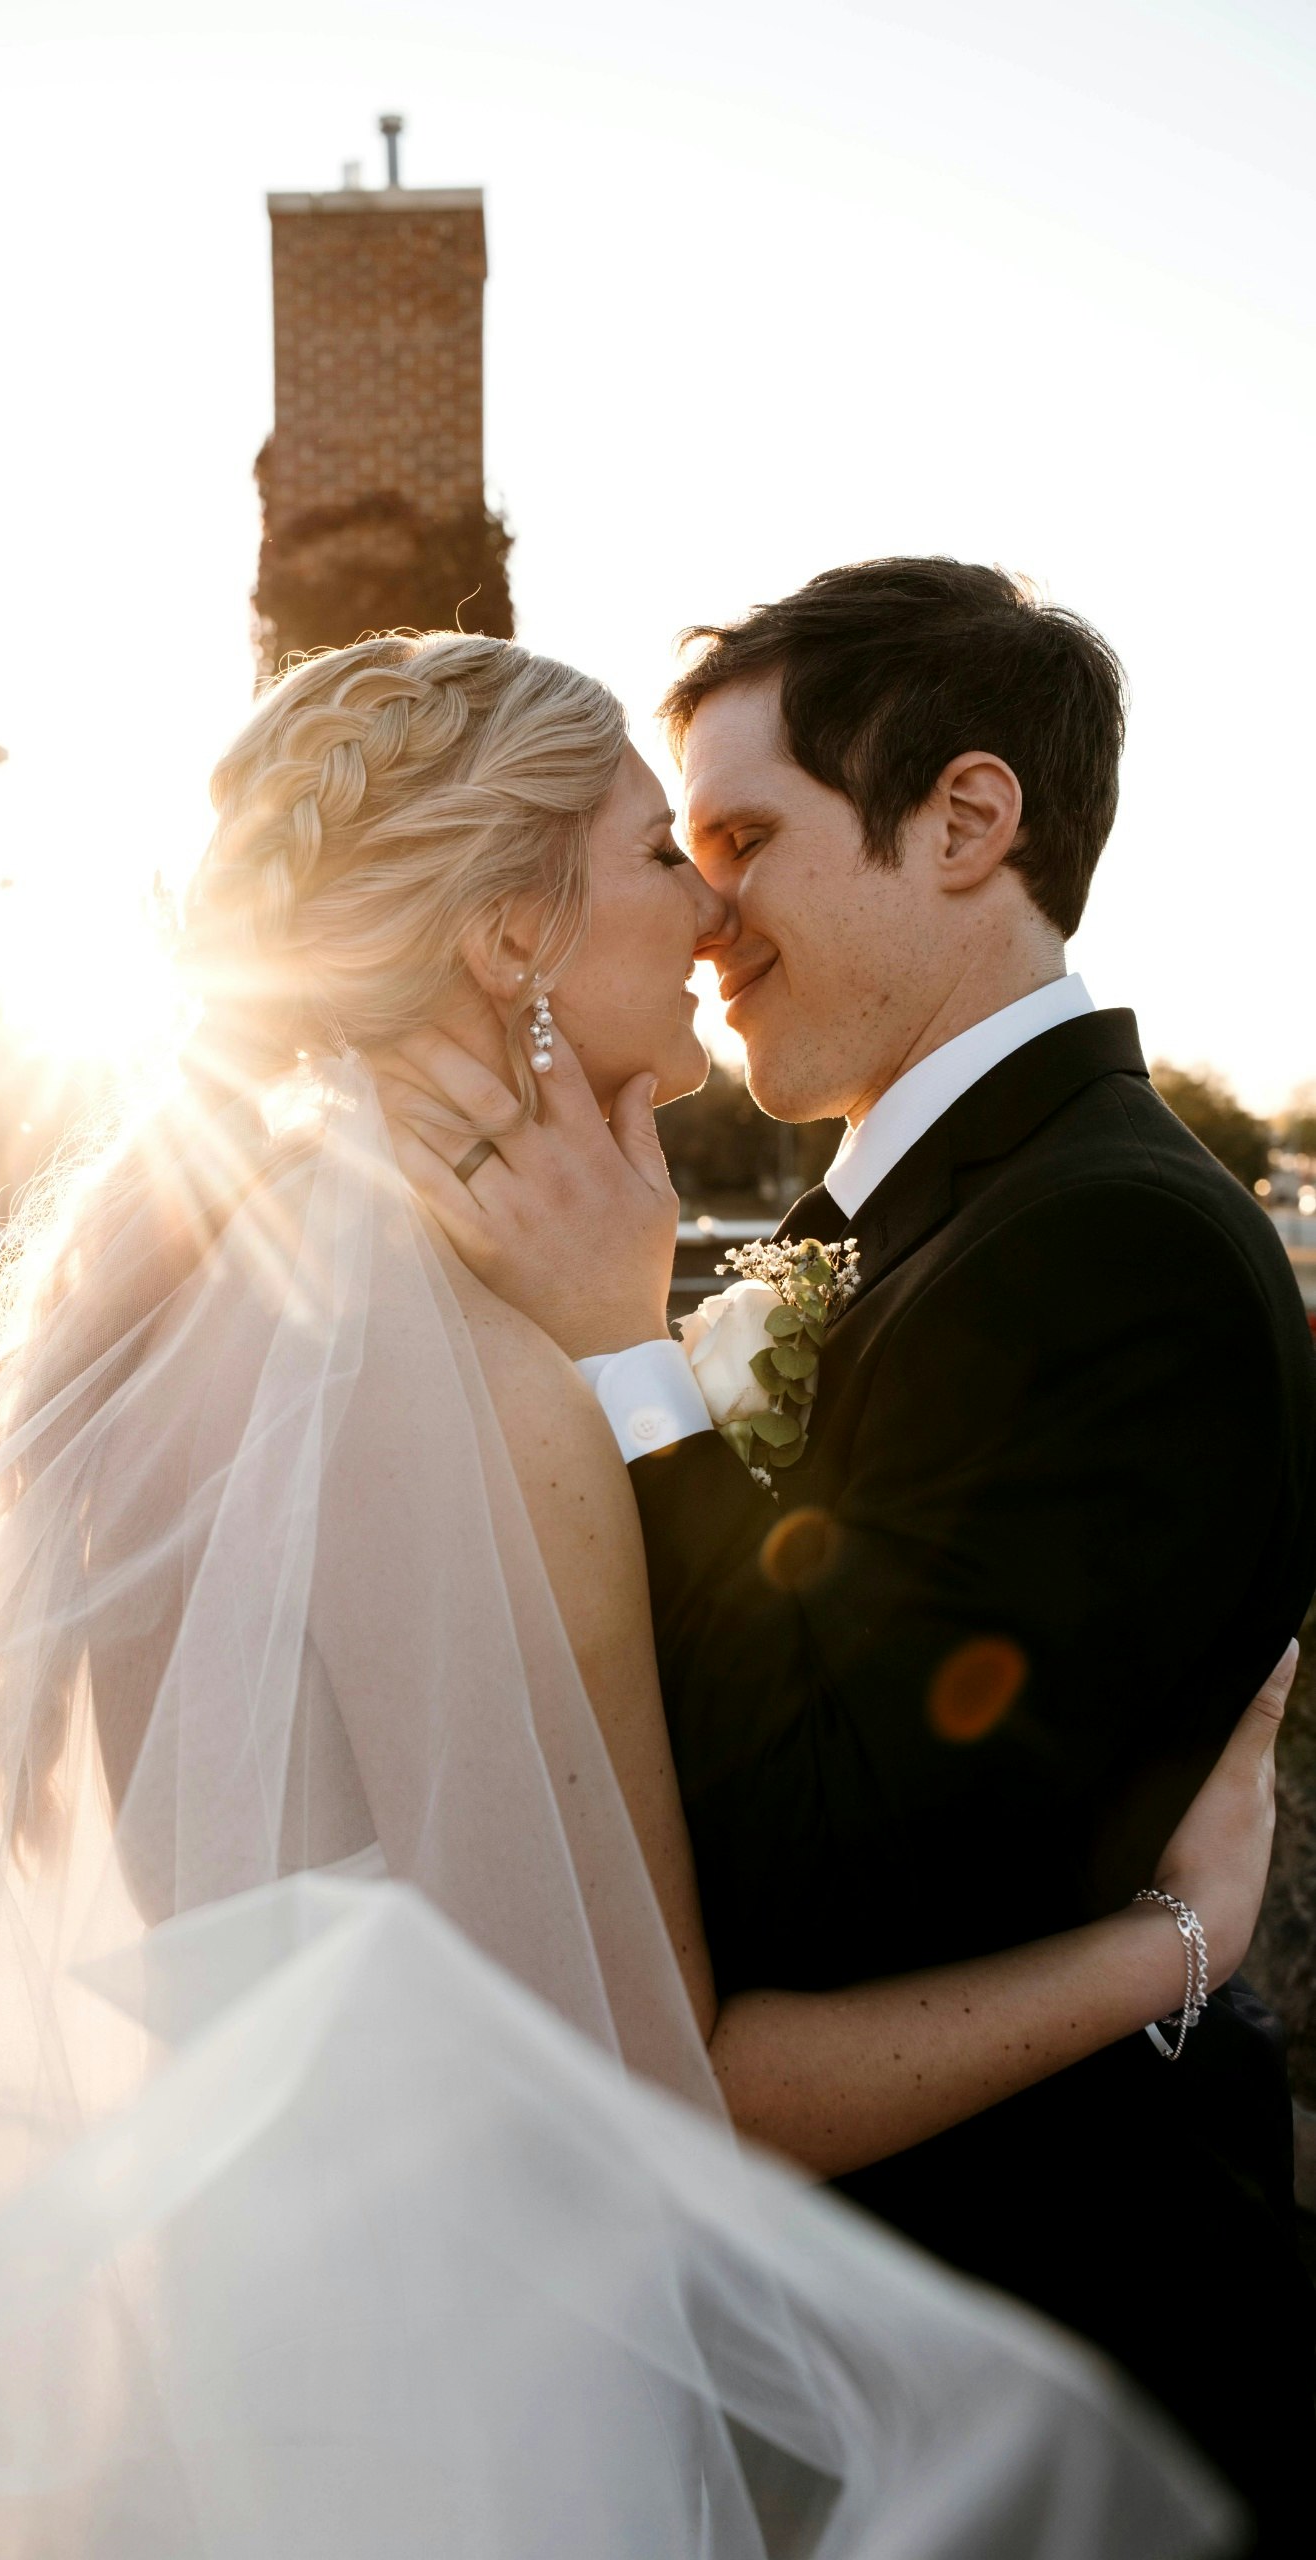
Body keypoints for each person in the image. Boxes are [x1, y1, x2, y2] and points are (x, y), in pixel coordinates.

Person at [0, 631, 1285, 2560]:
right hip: (464, 2395)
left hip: (221, 2337)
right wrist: (1180, 1935)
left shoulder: (184, 1292)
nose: (703, 906)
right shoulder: (496, 1386)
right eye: (653, 853)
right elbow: (670, 2085)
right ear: (509, 937)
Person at [386, 569, 1316, 2557]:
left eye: (742, 839)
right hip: (841, 2357)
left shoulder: (1113, 1249)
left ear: (967, 823)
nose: (707, 914)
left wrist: (639, 1366)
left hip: (1046, 2373)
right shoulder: (924, 1230)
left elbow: (829, 1861)